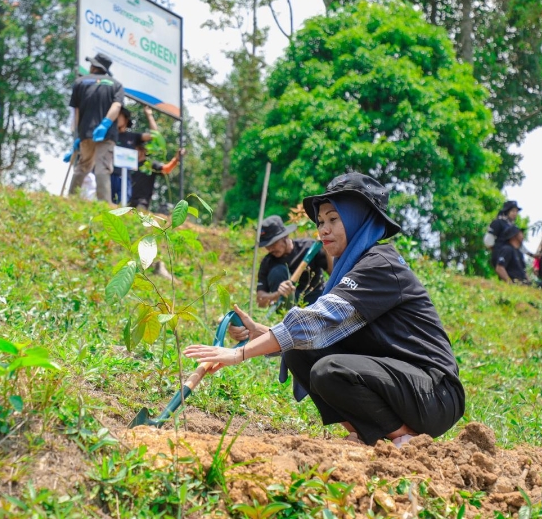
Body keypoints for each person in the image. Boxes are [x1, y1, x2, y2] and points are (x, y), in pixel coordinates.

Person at [185, 172, 465, 447]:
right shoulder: (353, 266)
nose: (323, 230)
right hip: (401, 385)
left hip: (434, 393)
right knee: (299, 352)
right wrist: (260, 333)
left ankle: (406, 437)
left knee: (330, 369)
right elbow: (316, 333)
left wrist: (240, 353)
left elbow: (318, 321)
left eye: (334, 219)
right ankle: (365, 432)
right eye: (320, 221)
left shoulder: (380, 264)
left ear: (359, 219)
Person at [66, 52, 125, 204]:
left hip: (86, 132)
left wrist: (77, 135)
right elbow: (117, 106)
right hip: (106, 134)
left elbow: (76, 111)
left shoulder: (80, 82)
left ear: (93, 67)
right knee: (103, 167)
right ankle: (103, 203)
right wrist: (105, 123)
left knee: (83, 165)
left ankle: (71, 199)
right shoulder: (116, 85)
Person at [256, 215, 331, 309]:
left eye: (273, 243)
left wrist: (327, 249)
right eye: (267, 246)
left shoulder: (309, 248)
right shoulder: (268, 262)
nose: (270, 249)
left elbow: (333, 273)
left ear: (285, 237)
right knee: (277, 271)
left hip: (316, 302)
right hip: (287, 310)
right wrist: (278, 294)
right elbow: (260, 301)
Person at [112, 105, 158, 205]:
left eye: (118, 116)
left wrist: (149, 115)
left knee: (123, 203)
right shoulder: (110, 135)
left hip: (125, 177)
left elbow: (155, 135)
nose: (115, 118)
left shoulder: (132, 137)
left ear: (125, 119)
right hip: (110, 175)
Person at [128, 143, 184, 211]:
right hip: (128, 200)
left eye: (138, 149)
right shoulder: (130, 164)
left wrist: (176, 159)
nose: (135, 151)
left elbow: (166, 169)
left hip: (142, 201)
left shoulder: (150, 164)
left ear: (144, 151)